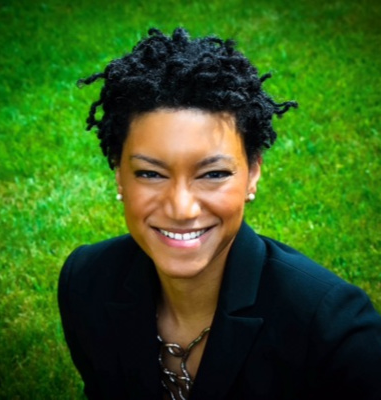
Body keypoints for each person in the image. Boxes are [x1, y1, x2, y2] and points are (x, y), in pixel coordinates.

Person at [58, 28, 381, 400]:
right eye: (150, 173)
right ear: (119, 174)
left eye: (213, 174)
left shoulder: (333, 329)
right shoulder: (86, 283)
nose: (182, 209)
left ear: (253, 173)